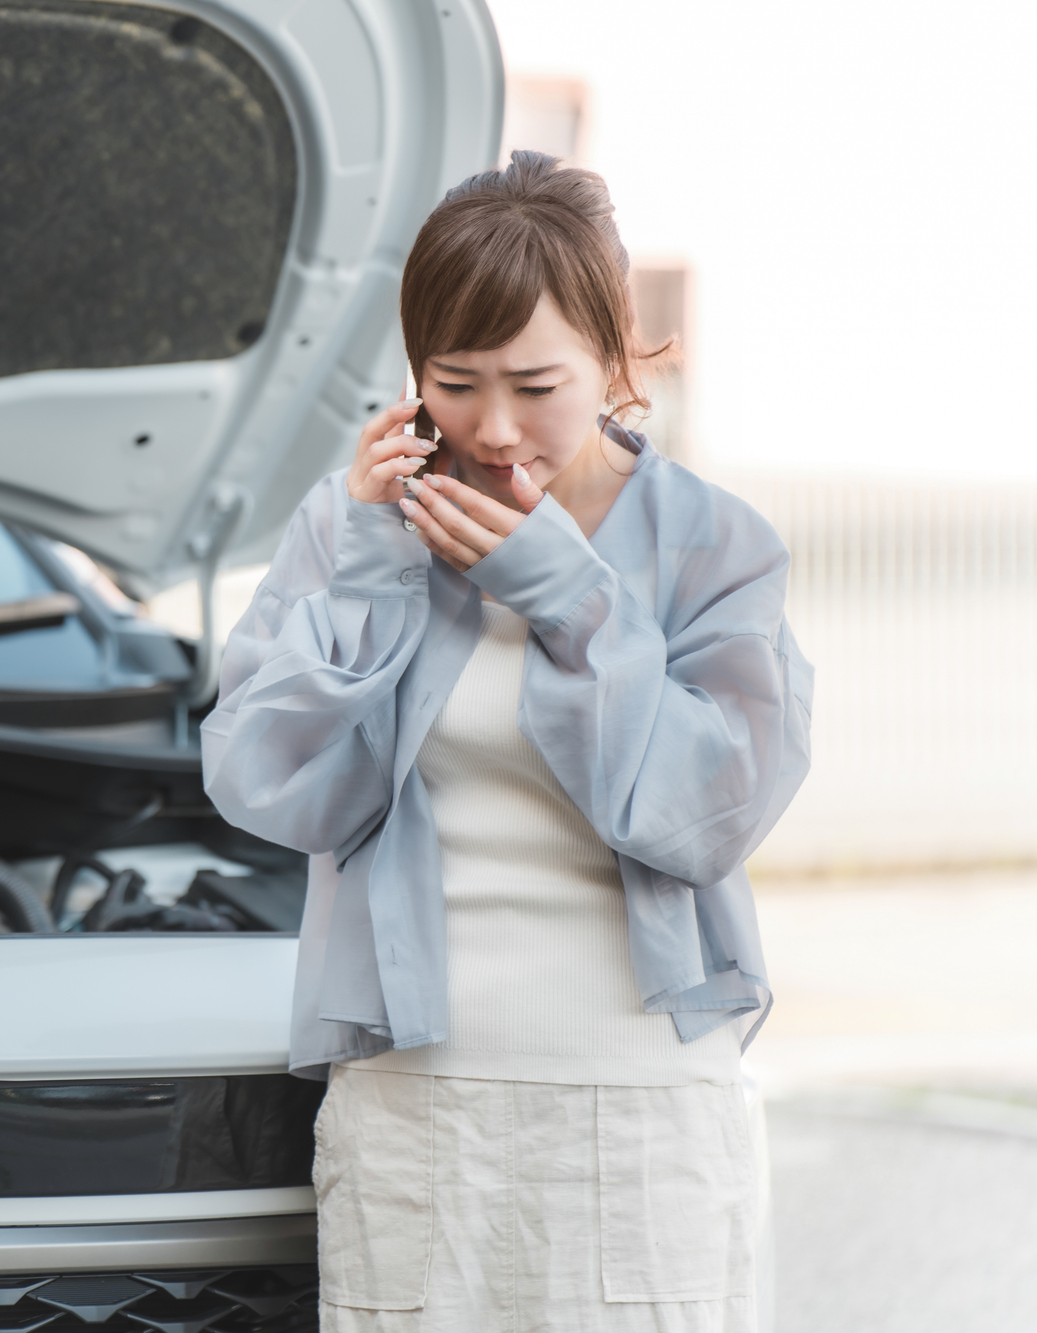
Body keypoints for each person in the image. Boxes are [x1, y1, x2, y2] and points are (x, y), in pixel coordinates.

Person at [201, 151, 813, 1331]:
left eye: (535, 384)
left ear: (614, 359)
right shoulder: (356, 525)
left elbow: (709, 814)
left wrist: (567, 595)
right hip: (413, 1101)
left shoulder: (709, 544)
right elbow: (265, 784)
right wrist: (375, 574)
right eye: (453, 381)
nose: (489, 428)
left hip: (641, 1099)